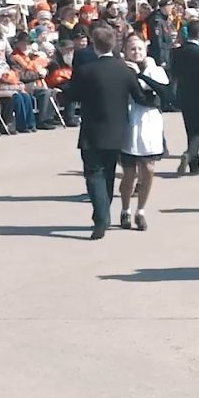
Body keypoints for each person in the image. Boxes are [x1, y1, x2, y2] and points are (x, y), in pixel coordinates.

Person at [65, 24, 140, 240]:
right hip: (117, 130)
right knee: (107, 173)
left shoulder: (87, 70)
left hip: (92, 129)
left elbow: (73, 95)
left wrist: (66, 89)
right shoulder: (124, 69)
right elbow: (138, 95)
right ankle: (104, 212)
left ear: (94, 46)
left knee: (93, 173)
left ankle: (101, 216)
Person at [118, 34, 170, 231]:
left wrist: (139, 75)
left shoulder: (155, 70)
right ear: (125, 50)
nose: (136, 52)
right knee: (129, 173)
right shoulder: (121, 68)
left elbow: (165, 93)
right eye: (132, 48)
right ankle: (125, 209)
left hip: (150, 121)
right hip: (129, 121)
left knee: (148, 168)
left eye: (139, 48)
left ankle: (141, 210)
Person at [169, 22, 199, 175]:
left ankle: (194, 165)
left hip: (184, 93)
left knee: (190, 128)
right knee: (198, 131)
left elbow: (174, 73)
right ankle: (190, 154)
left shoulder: (177, 52)